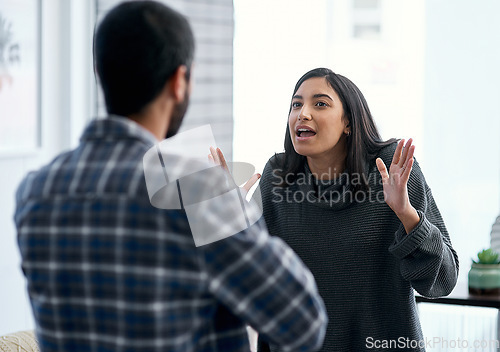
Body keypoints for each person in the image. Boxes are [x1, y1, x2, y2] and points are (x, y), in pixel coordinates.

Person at [13, 2, 328, 351]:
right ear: (179, 81)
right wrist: (233, 208)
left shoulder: (34, 192)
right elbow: (303, 323)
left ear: (101, 73)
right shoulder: (196, 191)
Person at [252, 68, 459, 351]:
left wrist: (406, 214)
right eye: (296, 104)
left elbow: (443, 280)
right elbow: (249, 281)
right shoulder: (279, 175)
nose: (303, 113)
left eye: (320, 103)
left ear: (348, 122)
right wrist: (224, 224)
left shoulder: (390, 168)